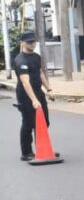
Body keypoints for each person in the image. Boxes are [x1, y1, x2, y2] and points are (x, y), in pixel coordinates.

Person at [13, 32, 53, 161]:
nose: (32, 44)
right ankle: (26, 153)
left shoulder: (36, 57)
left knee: (44, 122)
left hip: (38, 91)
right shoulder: (21, 60)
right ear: (23, 43)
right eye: (29, 42)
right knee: (29, 123)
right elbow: (25, 82)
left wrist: (49, 89)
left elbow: (40, 73)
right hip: (25, 95)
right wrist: (34, 100)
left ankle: (42, 149)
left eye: (33, 42)